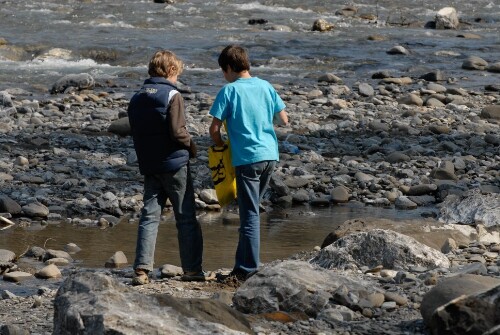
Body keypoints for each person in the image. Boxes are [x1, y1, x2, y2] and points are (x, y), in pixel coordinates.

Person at [209, 45, 288, 280]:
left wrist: (220, 144)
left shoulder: (229, 91)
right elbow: (284, 119)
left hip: (247, 159)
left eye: (224, 71)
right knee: (250, 211)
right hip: (269, 156)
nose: (224, 75)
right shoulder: (266, 86)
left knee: (249, 214)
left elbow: (214, 129)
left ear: (230, 68)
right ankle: (240, 266)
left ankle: (247, 269)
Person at [128, 50, 206, 285]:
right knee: (186, 217)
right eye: (177, 74)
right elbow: (177, 132)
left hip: (149, 163)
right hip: (175, 163)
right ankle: (192, 270)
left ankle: (142, 269)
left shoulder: (137, 96)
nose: (177, 78)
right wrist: (192, 146)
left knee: (149, 215)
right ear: (171, 71)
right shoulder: (173, 95)